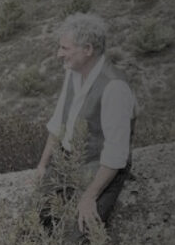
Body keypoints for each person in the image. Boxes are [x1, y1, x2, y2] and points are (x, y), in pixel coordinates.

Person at [32, 13, 137, 233]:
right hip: (71, 161)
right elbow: (59, 122)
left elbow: (115, 155)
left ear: (88, 49)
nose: (59, 54)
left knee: (78, 231)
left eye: (65, 48)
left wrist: (90, 196)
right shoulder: (73, 72)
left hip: (102, 168)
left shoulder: (114, 87)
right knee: (32, 222)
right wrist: (43, 166)